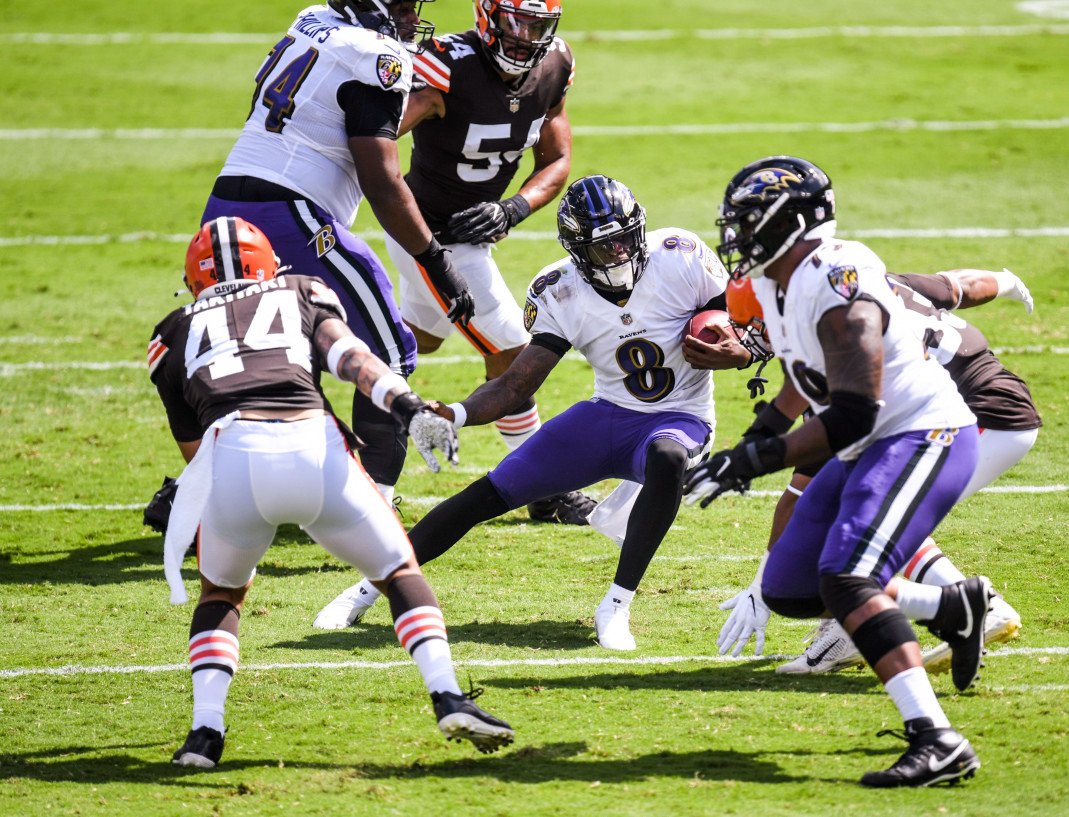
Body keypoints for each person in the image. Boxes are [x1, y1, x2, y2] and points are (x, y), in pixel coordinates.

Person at [149, 217, 511, 768]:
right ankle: (447, 696)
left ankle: (204, 734)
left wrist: (188, 496)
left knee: (221, 595)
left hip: (232, 458)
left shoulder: (172, 331)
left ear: (195, 280)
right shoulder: (300, 291)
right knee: (397, 573)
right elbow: (353, 360)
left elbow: (194, 451)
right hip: (311, 449)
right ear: (268, 264)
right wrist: (408, 406)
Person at [684, 156, 991, 787]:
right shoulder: (777, 279)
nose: (737, 235)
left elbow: (853, 409)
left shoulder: (840, 275)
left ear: (795, 222)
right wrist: (760, 432)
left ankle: (937, 739)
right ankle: (951, 605)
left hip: (918, 433)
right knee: (791, 588)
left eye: (748, 221)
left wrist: (759, 460)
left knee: (849, 580)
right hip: (871, 445)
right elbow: (804, 375)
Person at [374, 175, 746, 651]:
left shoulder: (681, 255)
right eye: (601, 248)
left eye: (623, 241)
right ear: (576, 251)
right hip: (608, 413)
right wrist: (455, 414)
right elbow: (515, 384)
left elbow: (741, 322)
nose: (617, 254)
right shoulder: (560, 289)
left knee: (669, 457)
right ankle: (370, 587)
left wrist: (739, 350)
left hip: (682, 414)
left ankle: (616, 604)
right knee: (488, 493)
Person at [312, 0, 592, 631]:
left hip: (474, 234)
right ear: (488, 18)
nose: (526, 40)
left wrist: (515, 208)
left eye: (537, 27)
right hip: (430, 238)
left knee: (413, 345)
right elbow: (373, 146)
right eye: (515, 24)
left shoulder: (555, 65)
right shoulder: (445, 67)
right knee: (514, 351)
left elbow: (556, 160)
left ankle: (306, 361)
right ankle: (544, 489)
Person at [198, 0, 474, 505]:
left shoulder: (312, 19)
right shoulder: (376, 55)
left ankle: (221, 488)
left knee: (278, 359)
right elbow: (382, 181)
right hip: (288, 214)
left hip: (223, 209)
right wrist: (436, 260)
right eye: (403, 6)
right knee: (389, 349)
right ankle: (373, 508)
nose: (413, 17)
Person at [710, 269, 1041, 676]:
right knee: (869, 507)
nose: (755, 337)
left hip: (972, 421)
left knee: (873, 516)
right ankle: (846, 634)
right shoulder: (868, 283)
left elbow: (803, 489)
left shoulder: (834, 345)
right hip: (999, 401)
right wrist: (1007, 281)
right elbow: (961, 287)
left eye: (759, 326)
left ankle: (981, 607)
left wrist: (763, 586)